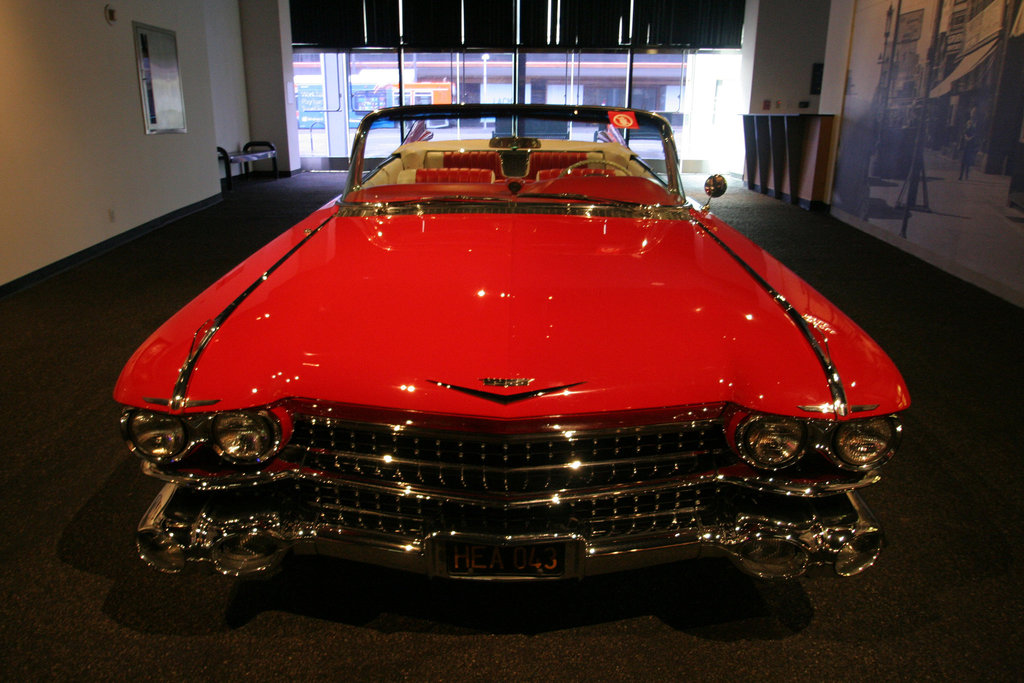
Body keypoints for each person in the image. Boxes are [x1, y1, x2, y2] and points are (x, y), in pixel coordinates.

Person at [959, 111, 978, 180]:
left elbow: (972, 137)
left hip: (969, 148)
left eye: (969, 124)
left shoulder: (972, 129)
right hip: (966, 148)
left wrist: (968, 138)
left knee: (967, 163)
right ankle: (962, 175)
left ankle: (965, 175)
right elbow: (964, 137)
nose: (969, 125)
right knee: (964, 162)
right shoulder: (966, 130)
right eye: (968, 124)